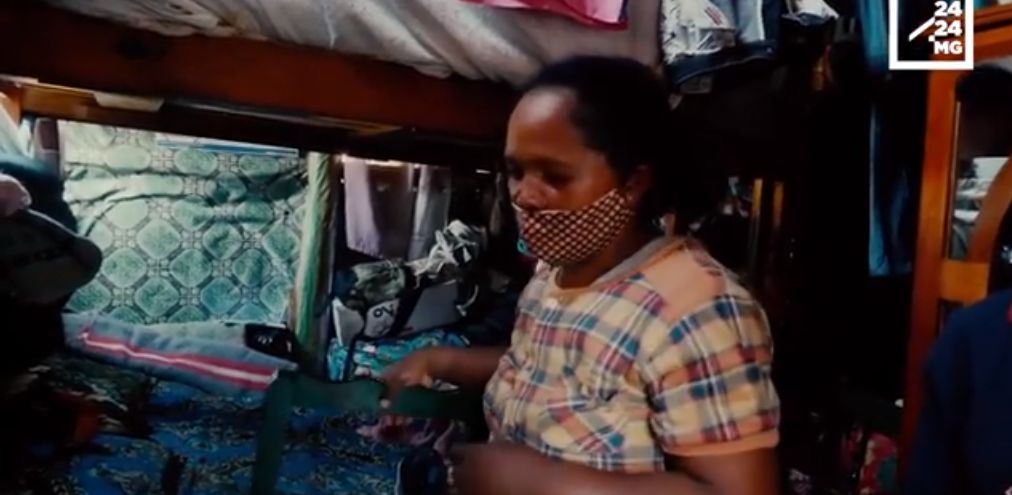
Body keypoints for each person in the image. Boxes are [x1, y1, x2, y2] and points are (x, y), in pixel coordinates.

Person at [382, 56, 781, 495]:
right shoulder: (553, 275)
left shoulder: (698, 308)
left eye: (555, 176)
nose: (524, 195)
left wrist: (540, 482)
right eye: (515, 172)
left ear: (633, 182)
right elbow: (544, 371)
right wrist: (438, 360)